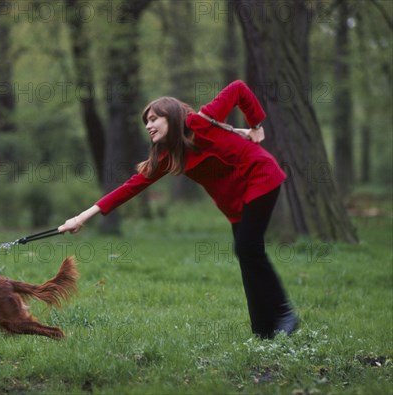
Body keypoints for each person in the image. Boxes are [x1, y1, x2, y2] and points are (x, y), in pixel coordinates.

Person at [58, 80, 298, 339]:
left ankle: (285, 314)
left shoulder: (201, 121)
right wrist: (81, 218)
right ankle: (263, 329)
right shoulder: (167, 156)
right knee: (247, 252)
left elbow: (239, 88)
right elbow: (128, 188)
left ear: (171, 116)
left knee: (247, 248)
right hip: (237, 201)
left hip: (260, 176)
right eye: (146, 122)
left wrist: (256, 125)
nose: (148, 126)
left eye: (153, 119)